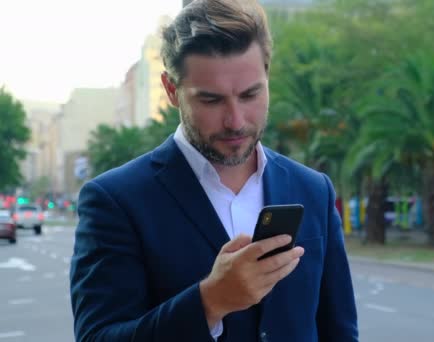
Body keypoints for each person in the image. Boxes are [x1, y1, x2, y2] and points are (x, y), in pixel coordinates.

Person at [69, 0, 358, 341]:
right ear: (171, 90)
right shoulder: (115, 201)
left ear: (267, 75)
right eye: (211, 100)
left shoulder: (313, 189)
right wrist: (210, 302)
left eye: (251, 94)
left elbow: (338, 331)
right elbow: (97, 336)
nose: (235, 121)